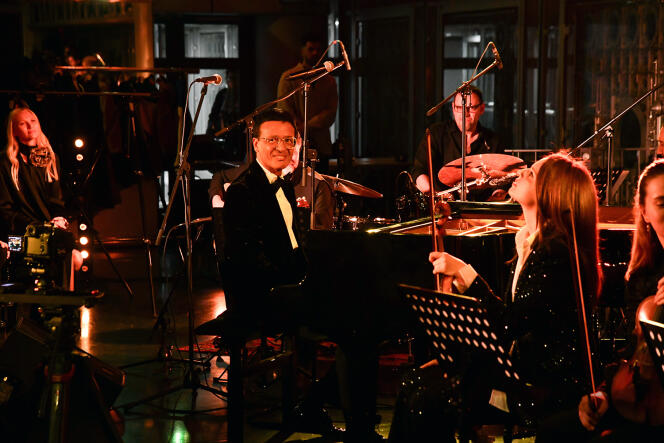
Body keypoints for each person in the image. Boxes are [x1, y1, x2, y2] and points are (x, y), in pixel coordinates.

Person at [390, 153, 602, 441]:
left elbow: (506, 324)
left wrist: (465, 273)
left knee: (426, 397)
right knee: (414, 382)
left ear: (550, 194)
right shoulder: (529, 243)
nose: (521, 173)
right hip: (516, 369)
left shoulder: (557, 255)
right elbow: (506, 323)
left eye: (531, 174)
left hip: (539, 385)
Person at [538, 159, 664, 442]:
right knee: (552, 431)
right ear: (644, 212)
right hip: (642, 398)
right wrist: (603, 394)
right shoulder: (643, 274)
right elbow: (633, 352)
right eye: (662, 203)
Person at [209, 119, 335, 230]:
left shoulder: (318, 186)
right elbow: (220, 177)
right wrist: (217, 200)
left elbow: (321, 237)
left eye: (292, 150)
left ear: (300, 144)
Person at [0, 107, 82, 276]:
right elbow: (5, 209)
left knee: (75, 258)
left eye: (33, 121)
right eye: (23, 124)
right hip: (20, 232)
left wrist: (59, 219)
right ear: (14, 131)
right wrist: (36, 226)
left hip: (49, 230)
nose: (30, 126)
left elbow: (56, 199)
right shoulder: (5, 163)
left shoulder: (50, 158)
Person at [412, 86, 502, 195]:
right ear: (453, 108)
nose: (465, 113)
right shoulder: (436, 133)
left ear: (482, 109)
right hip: (441, 202)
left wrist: (498, 194)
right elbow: (419, 170)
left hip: (482, 204)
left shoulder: (493, 140)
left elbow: (502, 178)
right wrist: (432, 195)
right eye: (460, 107)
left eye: (471, 108)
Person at [277, 33, 338, 175]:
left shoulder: (329, 80)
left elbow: (330, 112)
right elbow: (284, 108)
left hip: (321, 145)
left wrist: (306, 126)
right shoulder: (289, 77)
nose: (315, 53)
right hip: (294, 144)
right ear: (302, 50)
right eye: (311, 49)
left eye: (318, 50)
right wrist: (299, 127)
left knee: (321, 182)